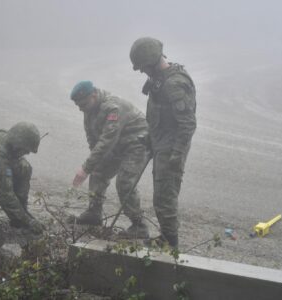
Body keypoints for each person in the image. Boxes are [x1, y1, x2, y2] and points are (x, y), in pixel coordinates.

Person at [130, 37, 197, 248]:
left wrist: (176, 155)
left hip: (171, 148)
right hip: (160, 143)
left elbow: (187, 124)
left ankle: (170, 242)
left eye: (143, 67)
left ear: (151, 61)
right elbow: (160, 117)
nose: (142, 71)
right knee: (161, 195)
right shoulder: (159, 80)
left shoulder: (173, 84)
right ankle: (167, 237)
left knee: (164, 197)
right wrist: (150, 138)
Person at [69, 80, 150, 239]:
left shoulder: (113, 107)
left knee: (125, 182)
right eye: (78, 105)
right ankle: (94, 212)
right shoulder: (90, 108)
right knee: (98, 170)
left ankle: (139, 225)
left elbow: (107, 140)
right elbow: (93, 138)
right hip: (117, 145)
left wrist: (85, 168)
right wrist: (93, 164)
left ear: (93, 95)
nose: (80, 108)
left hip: (137, 144)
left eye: (83, 104)